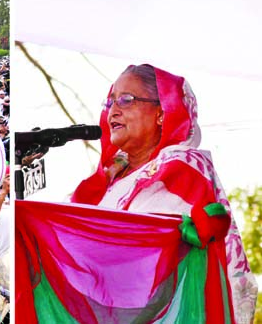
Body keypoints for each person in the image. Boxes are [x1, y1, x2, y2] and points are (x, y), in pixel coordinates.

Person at [71, 64, 257, 323]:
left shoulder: (182, 168)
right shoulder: (108, 181)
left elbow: (147, 262)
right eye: (110, 101)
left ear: (162, 112)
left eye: (126, 100)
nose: (113, 110)